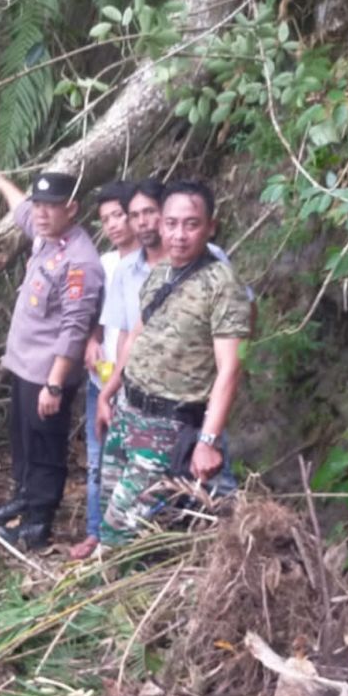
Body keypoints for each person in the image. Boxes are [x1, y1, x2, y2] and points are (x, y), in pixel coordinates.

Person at [95, 180, 253, 545]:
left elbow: (230, 367)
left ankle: (118, 591)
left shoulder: (222, 285)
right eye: (171, 223)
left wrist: (209, 440)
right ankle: (123, 589)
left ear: (210, 227)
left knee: (126, 531)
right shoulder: (161, 272)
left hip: (169, 427)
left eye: (191, 224)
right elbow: (137, 334)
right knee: (111, 517)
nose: (178, 234)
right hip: (127, 412)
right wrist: (109, 391)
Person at [0, 164, 103, 550]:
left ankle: (37, 523)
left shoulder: (80, 262)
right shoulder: (47, 236)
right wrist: (1, 185)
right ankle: (23, 498)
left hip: (49, 373)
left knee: (45, 448)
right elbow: (22, 210)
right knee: (24, 440)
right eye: (40, 204)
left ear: (73, 209)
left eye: (53, 206)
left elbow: (75, 330)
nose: (42, 213)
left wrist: (54, 384)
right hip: (24, 368)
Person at [68, 179, 141, 561]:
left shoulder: (150, 262)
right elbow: (101, 315)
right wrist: (92, 339)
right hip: (101, 378)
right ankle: (96, 531)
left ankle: (129, 537)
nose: (113, 225)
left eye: (119, 215)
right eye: (106, 219)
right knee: (97, 460)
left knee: (131, 461)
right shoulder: (106, 263)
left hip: (135, 383)